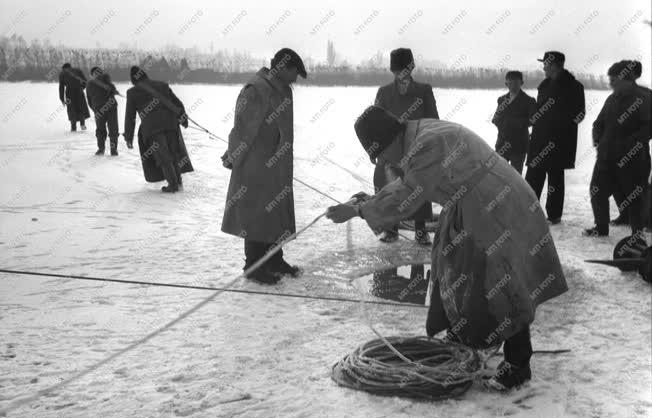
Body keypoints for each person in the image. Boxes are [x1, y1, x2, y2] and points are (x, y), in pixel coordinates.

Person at [326, 106, 568, 391]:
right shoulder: (418, 134)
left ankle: (517, 364)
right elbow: (409, 183)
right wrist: (368, 202)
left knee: (499, 279)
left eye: (379, 154)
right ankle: (462, 335)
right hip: (473, 203)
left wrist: (359, 210)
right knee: (452, 261)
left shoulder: (426, 144)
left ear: (389, 139)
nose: (383, 161)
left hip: (495, 207)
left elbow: (408, 195)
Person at [221, 48, 307, 285]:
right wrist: (232, 155)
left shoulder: (283, 91)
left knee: (275, 214)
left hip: (277, 167)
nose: (296, 79)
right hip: (255, 166)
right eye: (294, 73)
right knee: (257, 215)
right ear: (283, 68)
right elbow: (242, 129)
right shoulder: (256, 90)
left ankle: (274, 260)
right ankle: (253, 266)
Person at [373, 48, 439, 245]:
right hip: (391, 151)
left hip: (417, 148)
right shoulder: (384, 93)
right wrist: (376, 149)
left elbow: (433, 120)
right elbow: (375, 122)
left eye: (405, 68)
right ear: (392, 70)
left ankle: (421, 230)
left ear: (411, 68)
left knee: (418, 188)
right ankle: (391, 229)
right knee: (390, 188)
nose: (402, 73)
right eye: (398, 69)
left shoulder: (424, 90)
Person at [584, 60, 652, 238]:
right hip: (606, 157)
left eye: (614, 80)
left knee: (635, 196)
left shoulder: (644, 98)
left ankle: (637, 233)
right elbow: (598, 123)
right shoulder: (612, 99)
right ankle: (601, 227)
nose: (610, 83)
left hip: (634, 159)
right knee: (597, 191)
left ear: (626, 79)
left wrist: (630, 144)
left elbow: (649, 127)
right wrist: (599, 140)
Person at [525, 51, 585, 224]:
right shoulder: (544, 85)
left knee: (555, 180)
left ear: (554, 65)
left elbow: (579, 114)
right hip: (539, 138)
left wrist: (559, 127)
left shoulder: (574, 86)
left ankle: (554, 216)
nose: (543, 67)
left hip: (558, 142)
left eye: (545, 64)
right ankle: (528, 212)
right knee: (533, 178)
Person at [123, 66, 193, 193]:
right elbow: (177, 103)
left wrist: (128, 136)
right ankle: (177, 181)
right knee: (173, 153)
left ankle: (173, 185)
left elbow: (130, 117)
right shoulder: (162, 85)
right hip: (171, 124)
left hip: (152, 128)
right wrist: (183, 119)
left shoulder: (132, 92)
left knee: (163, 157)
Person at [491, 71, 537, 174]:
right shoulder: (502, 99)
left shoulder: (529, 101)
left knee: (515, 177)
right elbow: (495, 118)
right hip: (501, 144)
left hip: (519, 145)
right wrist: (502, 124)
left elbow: (533, 120)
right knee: (499, 175)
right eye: (510, 83)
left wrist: (513, 122)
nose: (513, 85)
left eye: (516, 83)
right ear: (506, 84)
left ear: (522, 83)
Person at [86, 66, 120, 156]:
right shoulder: (107, 81)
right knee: (113, 128)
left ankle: (101, 149)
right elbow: (113, 90)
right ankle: (113, 150)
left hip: (99, 109)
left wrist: (95, 109)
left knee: (100, 129)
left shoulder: (90, 84)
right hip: (111, 107)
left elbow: (89, 100)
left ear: (92, 75)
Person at [59, 63, 90, 132]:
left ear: (64, 68)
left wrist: (62, 99)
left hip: (69, 92)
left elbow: (61, 87)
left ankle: (73, 127)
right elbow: (85, 81)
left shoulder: (62, 73)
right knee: (81, 107)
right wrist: (82, 88)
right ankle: (82, 124)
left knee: (71, 109)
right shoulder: (78, 71)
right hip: (79, 91)